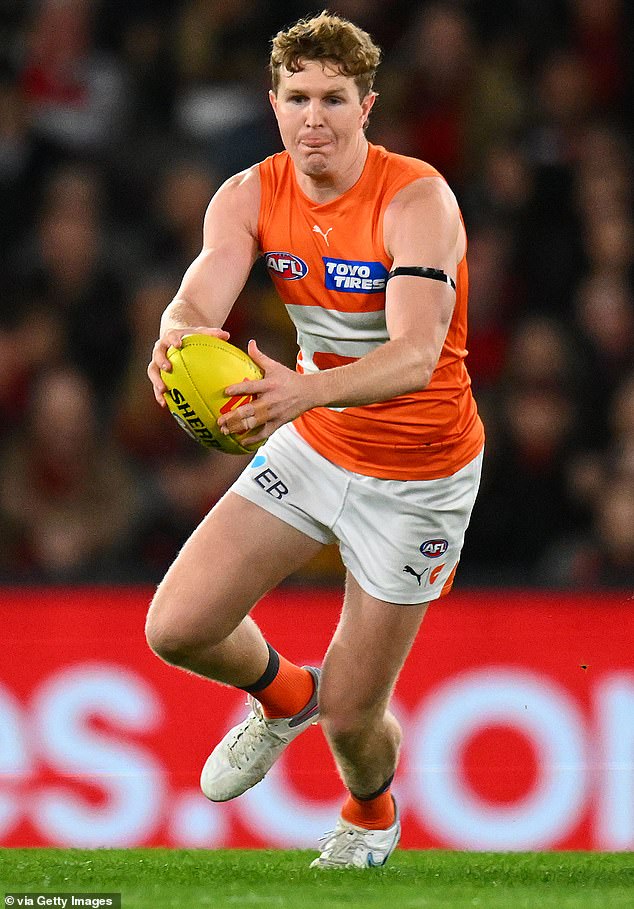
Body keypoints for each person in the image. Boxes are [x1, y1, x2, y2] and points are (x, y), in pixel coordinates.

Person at [146, 11, 484, 869]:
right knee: (177, 626)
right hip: (317, 441)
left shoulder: (417, 199)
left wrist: (301, 392)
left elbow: (413, 356)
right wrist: (176, 337)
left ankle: (370, 812)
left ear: (368, 106)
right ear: (272, 103)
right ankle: (285, 695)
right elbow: (199, 293)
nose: (314, 118)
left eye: (335, 98)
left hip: (419, 475)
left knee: (356, 718)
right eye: (298, 97)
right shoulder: (248, 192)